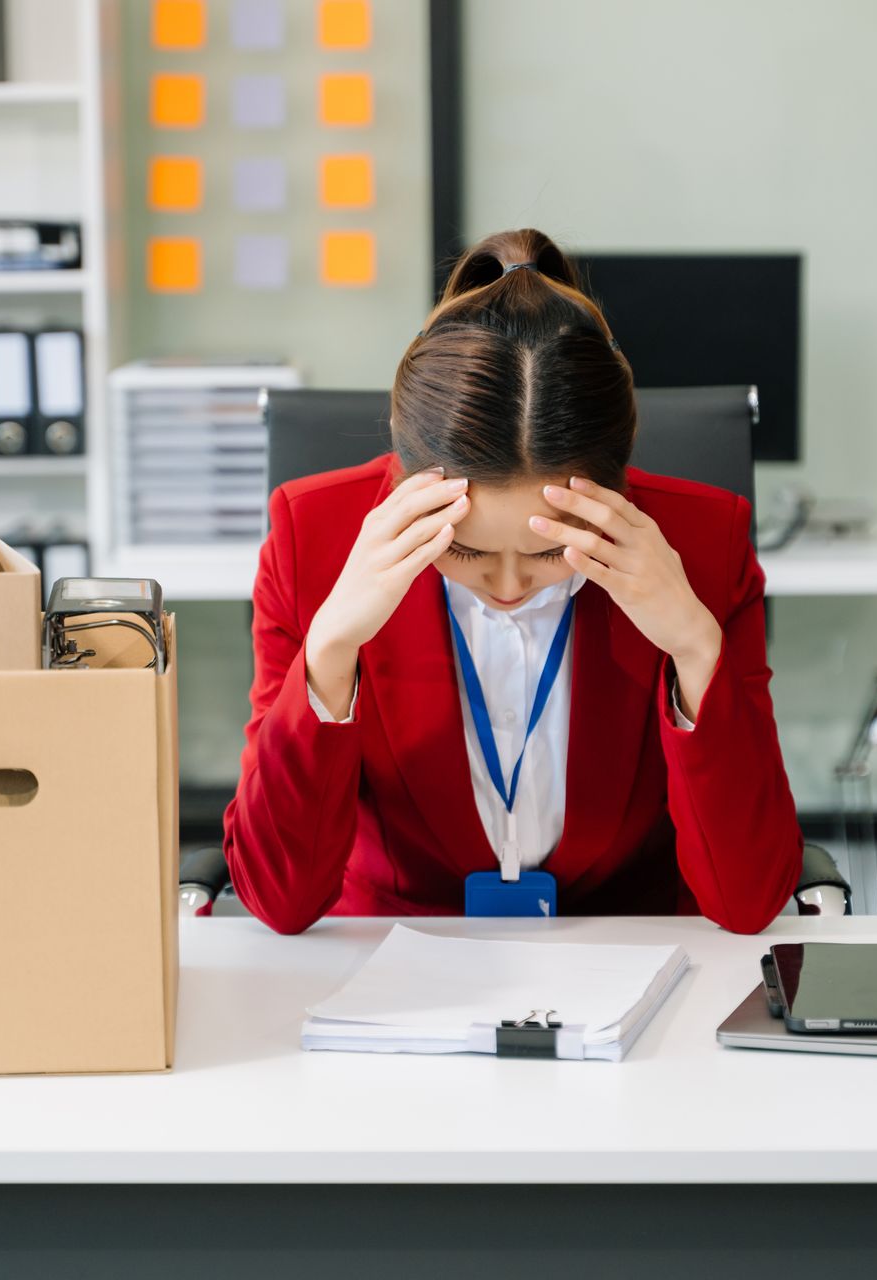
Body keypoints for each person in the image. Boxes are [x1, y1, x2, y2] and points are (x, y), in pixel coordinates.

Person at [222, 228, 802, 934]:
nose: (506, 587)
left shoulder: (702, 547)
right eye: (465, 552)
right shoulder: (313, 540)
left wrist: (694, 646)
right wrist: (331, 650)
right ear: (407, 479)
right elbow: (277, 901)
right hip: (397, 964)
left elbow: (749, 901)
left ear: (608, 493)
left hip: (627, 961)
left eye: (547, 553)